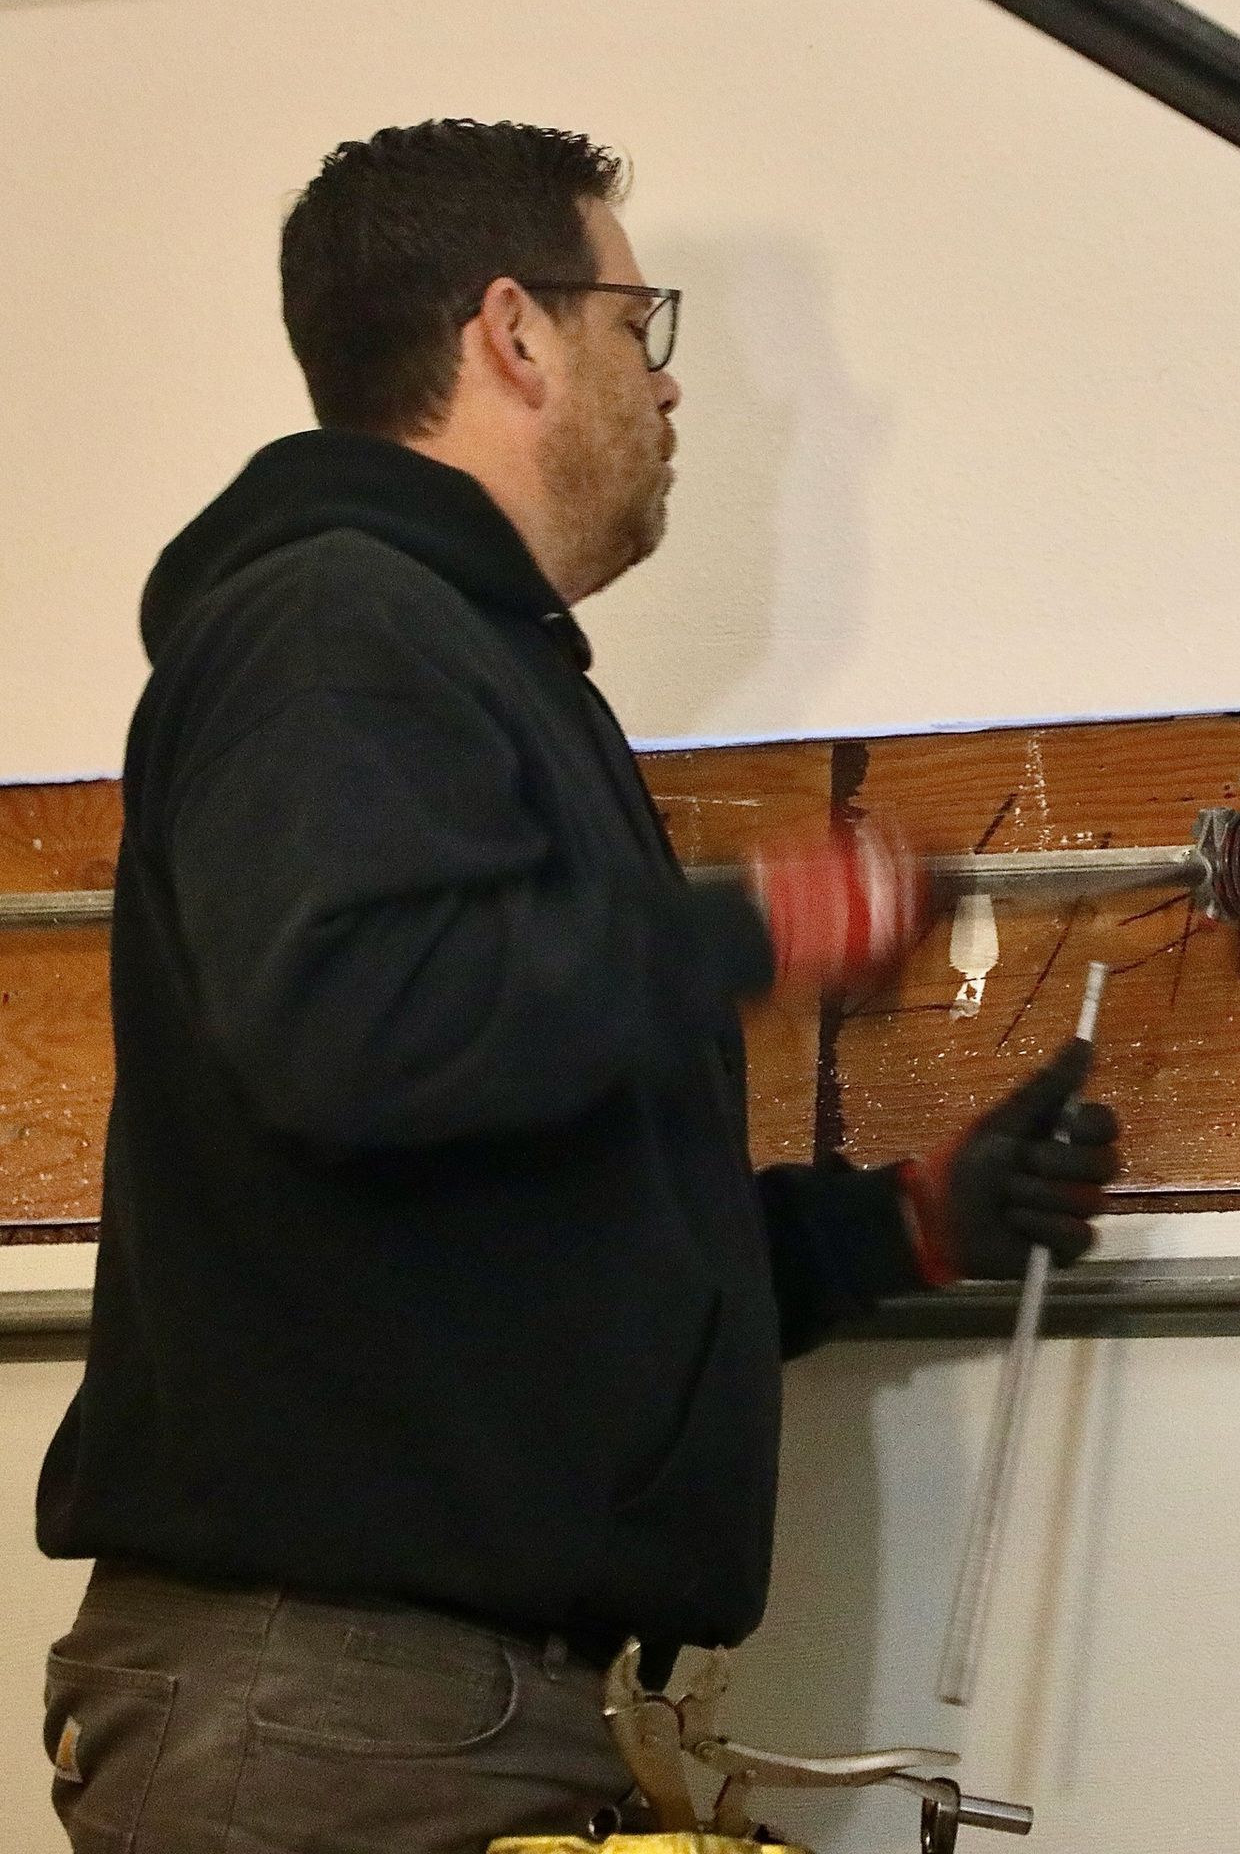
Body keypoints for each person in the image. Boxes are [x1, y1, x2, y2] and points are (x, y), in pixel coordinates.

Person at [37, 119, 1119, 1853]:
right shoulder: (330, 626)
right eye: (641, 325)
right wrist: (760, 926)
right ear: (514, 335)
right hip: (333, 1730)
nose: (667, 388)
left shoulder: (471, 671)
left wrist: (907, 1225)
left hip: (419, 1725)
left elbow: (536, 1246)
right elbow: (354, 1029)